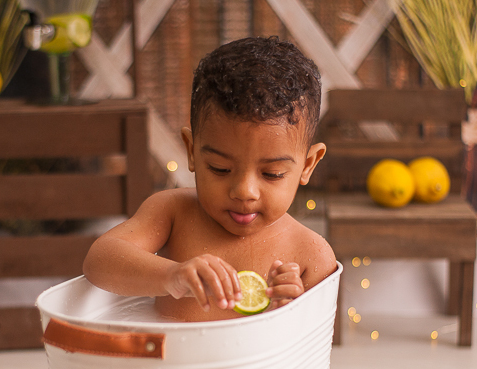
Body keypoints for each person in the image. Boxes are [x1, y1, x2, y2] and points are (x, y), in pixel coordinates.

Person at [82, 36, 336, 321]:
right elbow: (99, 261)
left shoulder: (310, 254)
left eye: (272, 174)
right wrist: (172, 275)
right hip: (167, 350)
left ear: (308, 165)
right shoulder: (172, 212)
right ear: (192, 151)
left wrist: (288, 312)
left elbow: (316, 339)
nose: (244, 191)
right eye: (220, 168)